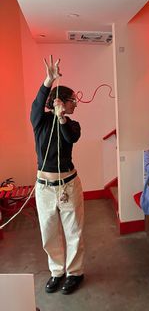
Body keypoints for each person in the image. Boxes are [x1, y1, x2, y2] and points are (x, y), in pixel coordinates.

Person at [30, 55, 84, 295]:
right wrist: (48, 80)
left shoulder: (72, 124)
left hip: (69, 186)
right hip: (44, 188)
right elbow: (36, 106)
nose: (76, 104)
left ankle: (74, 273)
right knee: (49, 232)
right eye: (73, 100)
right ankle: (57, 272)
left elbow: (70, 138)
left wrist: (62, 117)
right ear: (61, 100)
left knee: (73, 231)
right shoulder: (40, 122)